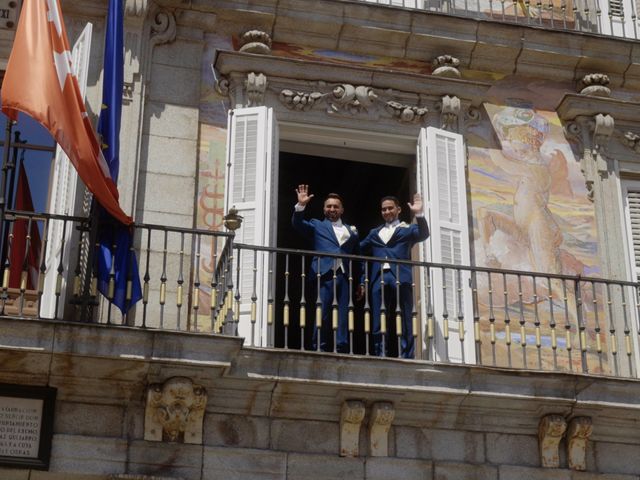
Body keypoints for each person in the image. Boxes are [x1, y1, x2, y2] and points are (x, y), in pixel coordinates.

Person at [292, 185, 362, 353]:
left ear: (342, 210)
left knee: (343, 314)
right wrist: (301, 205)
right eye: (329, 206)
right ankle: (319, 347)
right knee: (322, 313)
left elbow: (358, 258)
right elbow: (298, 224)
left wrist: (361, 282)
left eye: (336, 206)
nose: (332, 209)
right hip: (323, 274)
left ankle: (342, 347)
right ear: (324, 209)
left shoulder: (351, 231)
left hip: (344, 276)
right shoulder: (317, 225)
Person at [360, 194, 429, 358]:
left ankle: (407, 355)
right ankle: (380, 353)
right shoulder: (374, 232)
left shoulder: (407, 229)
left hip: (400, 275)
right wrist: (363, 279)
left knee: (405, 316)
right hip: (378, 277)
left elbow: (424, 234)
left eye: (390, 208)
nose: (387, 211)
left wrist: (419, 215)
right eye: (384, 209)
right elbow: (360, 249)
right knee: (378, 317)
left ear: (398, 209)